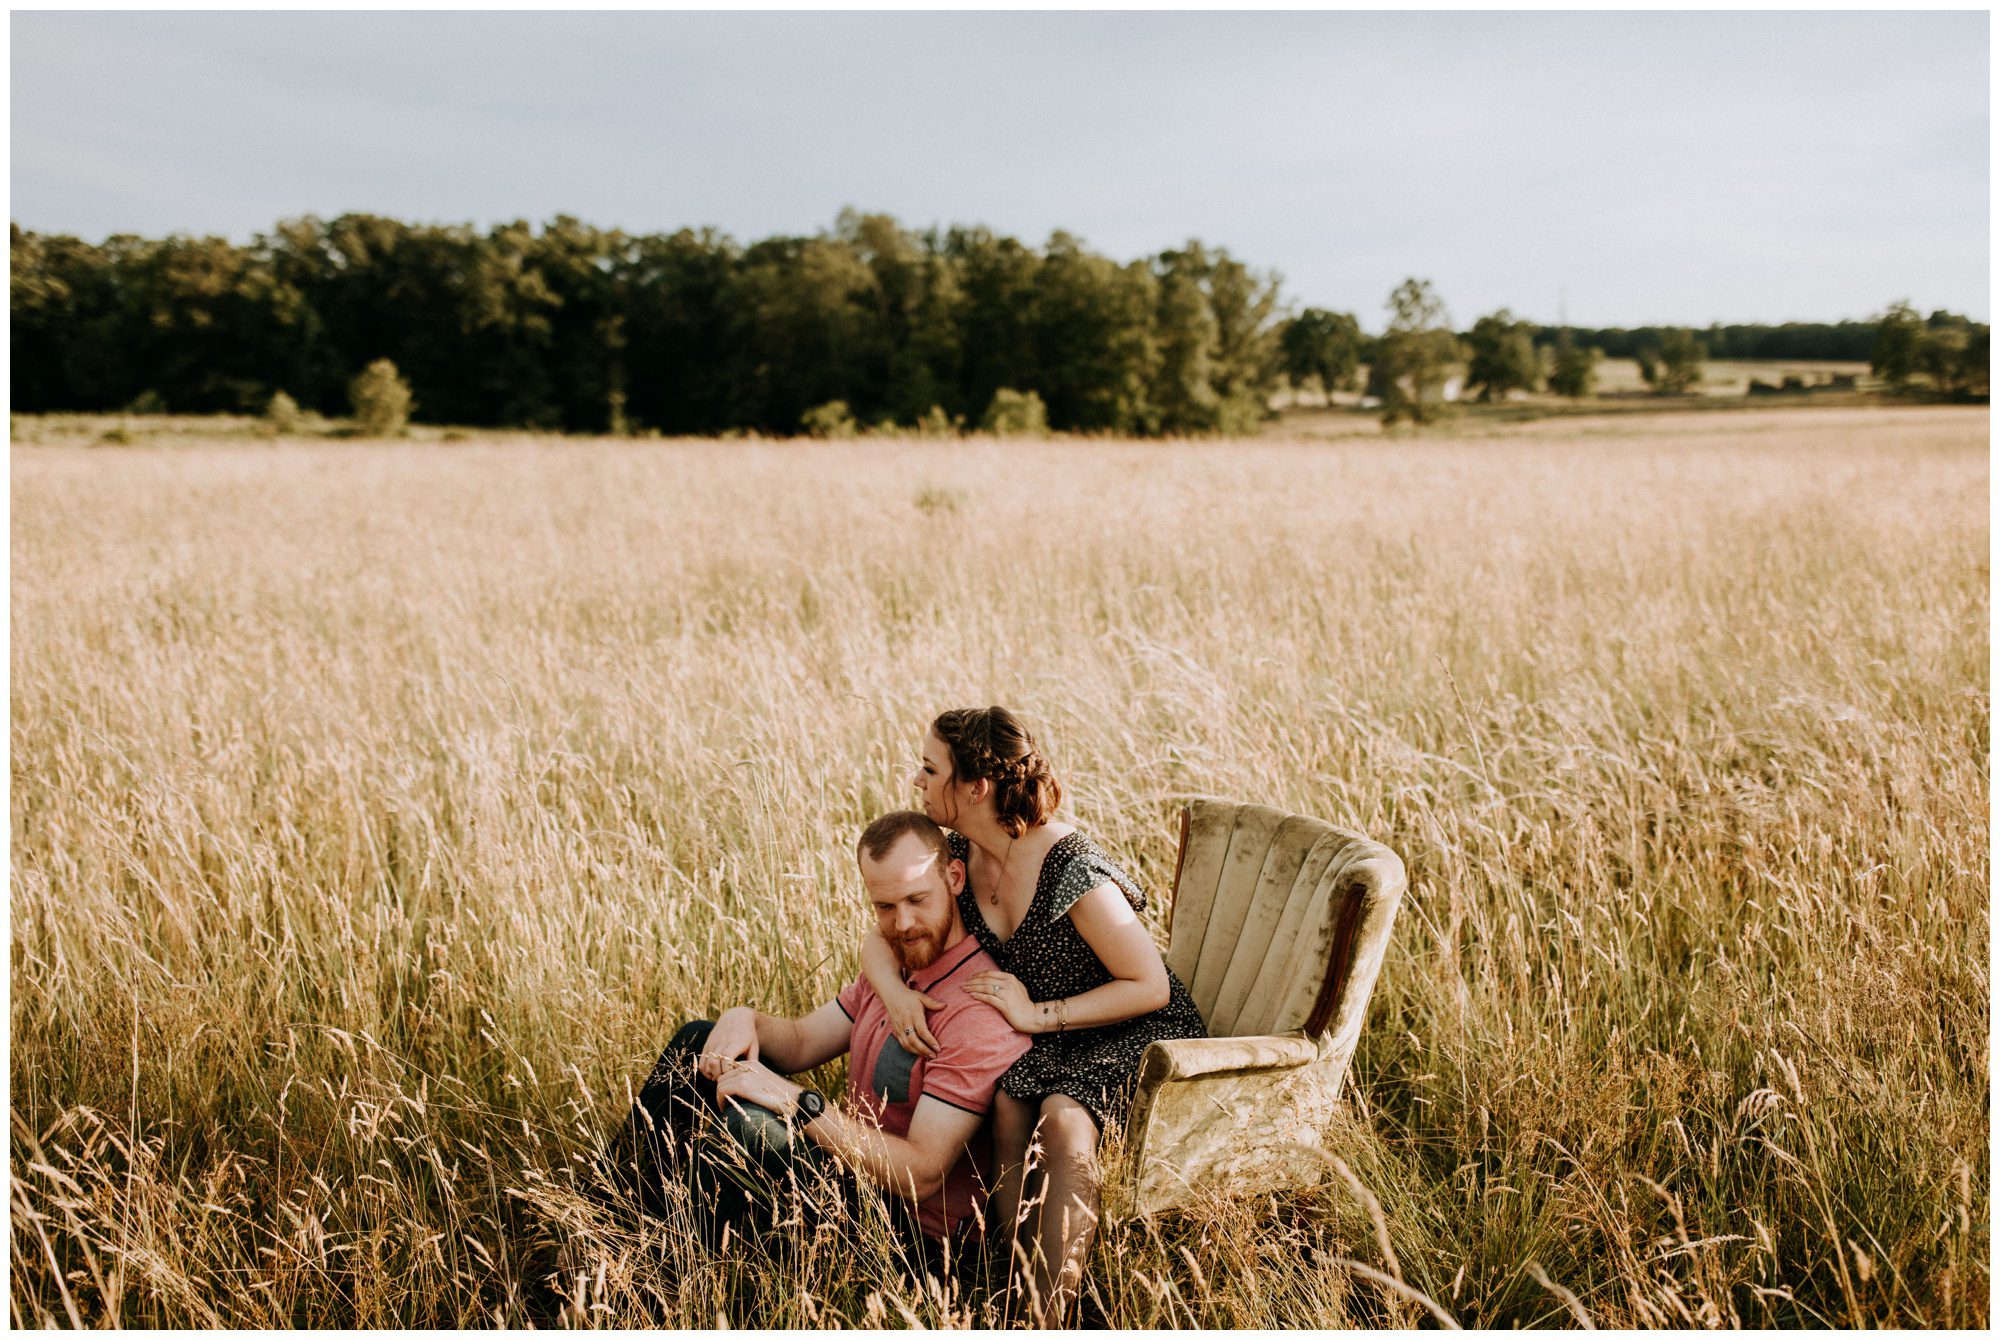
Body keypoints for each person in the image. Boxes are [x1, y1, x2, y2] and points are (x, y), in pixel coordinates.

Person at [858, 706, 1206, 1326]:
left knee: (1061, 1117)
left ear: (974, 787)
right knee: (1011, 1099)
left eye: (929, 768)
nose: (917, 779)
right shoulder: (960, 855)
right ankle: (1008, 1274)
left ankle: (1050, 1318)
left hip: (1132, 1027)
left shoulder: (1069, 866)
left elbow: (1149, 985)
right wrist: (896, 994)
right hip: (1052, 1031)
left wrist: (1036, 1014)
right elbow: (879, 936)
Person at [607, 810, 1030, 1277]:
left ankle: (645, 1279)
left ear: (953, 878)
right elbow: (802, 1041)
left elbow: (922, 1175)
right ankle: (608, 1217)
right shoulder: (897, 968)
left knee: (754, 1129)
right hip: (852, 1178)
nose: (903, 923)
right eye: (884, 907)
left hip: (915, 1239)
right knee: (699, 1040)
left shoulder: (977, 1009)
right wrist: (742, 1018)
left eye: (917, 899)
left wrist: (797, 1102)